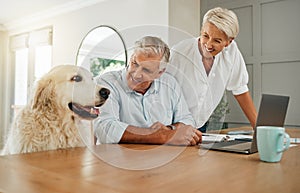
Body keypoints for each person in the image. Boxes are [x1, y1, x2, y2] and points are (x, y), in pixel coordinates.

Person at [94, 36, 202, 146]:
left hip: (161, 157)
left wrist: (169, 128)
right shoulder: (106, 83)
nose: (136, 74)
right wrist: (163, 136)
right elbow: (105, 129)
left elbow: (187, 119)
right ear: (131, 57)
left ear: (160, 72)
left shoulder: (170, 83)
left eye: (146, 70)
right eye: (134, 63)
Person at [167, 7, 257, 131]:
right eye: (205, 36)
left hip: (199, 126)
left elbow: (240, 89)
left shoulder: (231, 53)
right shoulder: (179, 52)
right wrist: (168, 129)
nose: (208, 45)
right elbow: (161, 90)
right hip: (173, 126)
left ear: (228, 42)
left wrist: (259, 129)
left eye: (217, 40)